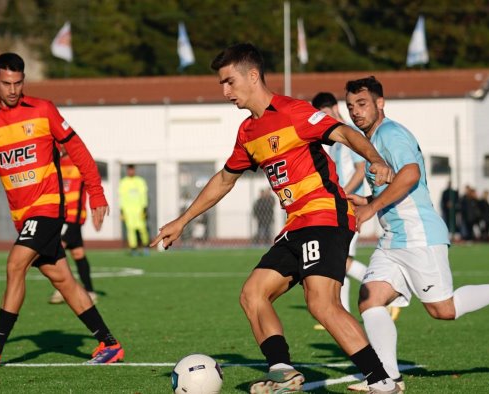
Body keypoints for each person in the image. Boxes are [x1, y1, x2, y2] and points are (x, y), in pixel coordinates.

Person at [151, 43, 400, 394]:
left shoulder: (294, 111)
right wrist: (182, 220)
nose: (225, 92)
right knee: (253, 293)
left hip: (325, 215)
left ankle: (382, 381)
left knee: (320, 302)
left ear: (253, 76)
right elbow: (225, 178)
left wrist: (374, 157)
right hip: (296, 225)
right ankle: (284, 371)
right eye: (222, 84)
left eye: (229, 82)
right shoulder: (248, 132)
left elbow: (342, 133)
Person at [342, 76, 489, 392]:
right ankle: (388, 378)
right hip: (393, 239)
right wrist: (367, 201)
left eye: (361, 104)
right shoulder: (371, 142)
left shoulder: (391, 134)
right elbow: (395, 186)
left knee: (444, 310)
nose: (355, 112)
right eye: (350, 107)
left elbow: (411, 175)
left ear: (380, 103)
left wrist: (371, 210)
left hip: (418, 236)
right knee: (370, 298)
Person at [0, 53, 123, 367]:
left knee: (16, 265)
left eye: (18, 83)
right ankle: (109, 344)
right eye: (6, 83)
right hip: (23, 217)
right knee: (62, 279)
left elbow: (78, 149)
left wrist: (96, 193)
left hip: (48, 208)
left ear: (23, 81)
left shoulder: (43, 110)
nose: (12, 89)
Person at [311, 92, 400, 325]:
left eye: (325, 112)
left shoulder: (348, 133)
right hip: (342, 202)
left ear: (335, 108)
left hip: (349, 203)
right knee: (340, 259)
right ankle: (343, 312)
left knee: (340, 260)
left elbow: (361, 170)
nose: (323, 117)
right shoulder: (333, 138)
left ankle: (388, 294)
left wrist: (340, 194)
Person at [49, 145, 98, 304]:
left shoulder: (77, 164)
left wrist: (97, 209)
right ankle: (90, 291)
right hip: (60, 217)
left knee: (58, 249)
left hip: (74, 218)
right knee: (78, 254)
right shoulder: (55, 166)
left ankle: (63, 289)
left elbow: (92, 185)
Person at [118, 164, 149, 255]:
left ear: (134, 170)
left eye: (132, 170)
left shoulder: (140, 181)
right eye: (129, 170)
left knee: (142, 228)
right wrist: (122, 210)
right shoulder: (123, 182)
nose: (130, 172)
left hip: (139, 210)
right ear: (127, 171)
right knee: (130, 229)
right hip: (128, 211)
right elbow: (121, 197)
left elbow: (144, 195)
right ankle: (133, 248)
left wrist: (144, 208)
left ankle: (146, 246)